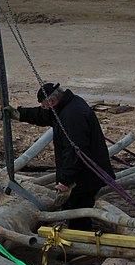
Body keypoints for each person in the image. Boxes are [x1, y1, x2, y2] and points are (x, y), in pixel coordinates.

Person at [6, 82, 114, 231]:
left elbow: (75, 151)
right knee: (74, 211)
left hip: (84, 176)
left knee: (77, 214)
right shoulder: (66, 105)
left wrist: (66, 181)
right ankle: (76, 240)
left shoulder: (72, 116)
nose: (45, 109)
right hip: (83, 174)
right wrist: (21, 114)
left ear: (52, 101)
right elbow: (44, 115)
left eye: (45, 105)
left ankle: (77, 247)